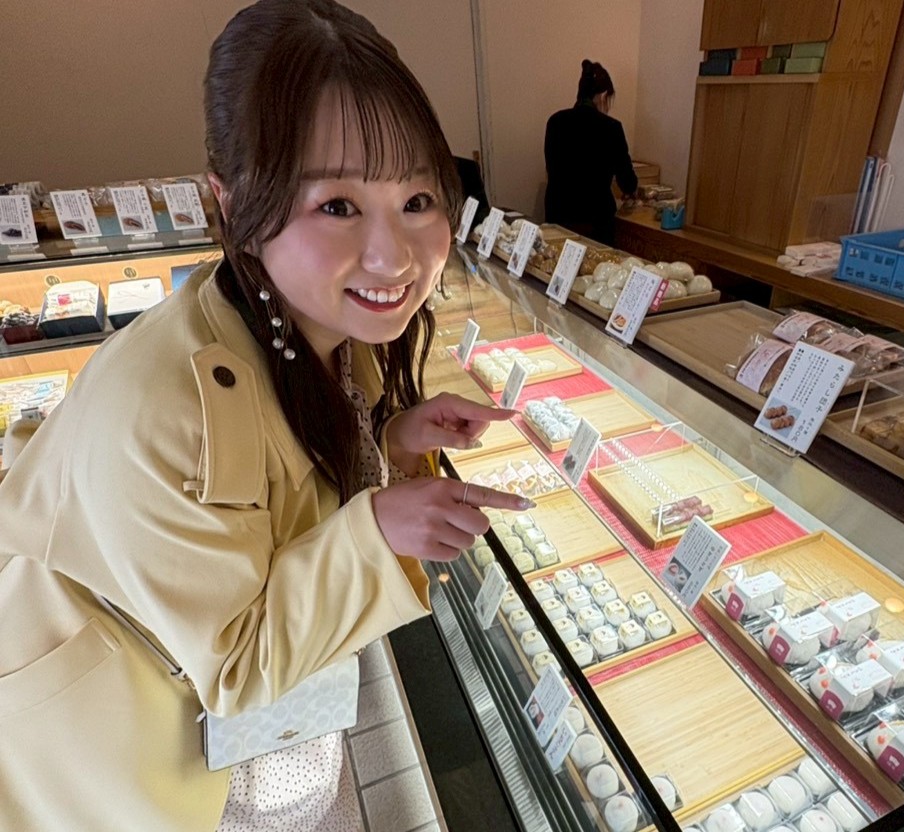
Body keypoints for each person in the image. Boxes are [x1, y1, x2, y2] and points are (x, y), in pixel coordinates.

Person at [0, 2, 529, 830]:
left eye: (418, 197)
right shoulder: (162, 401)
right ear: (234, 196)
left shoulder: (315, 326)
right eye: (338, 205)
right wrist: (380, 529)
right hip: (155, 754)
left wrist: (392, 443)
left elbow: (282, 488)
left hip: (268, 728)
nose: (394, 255)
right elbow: (238, 663)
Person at [544, 59, 638, 245]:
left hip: (557, 219)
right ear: (603, 96)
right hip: (595, 224)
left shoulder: (555, 121)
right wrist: (631, 192)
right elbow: (627, 181)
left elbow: (552, 168)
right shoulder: (611, 128)